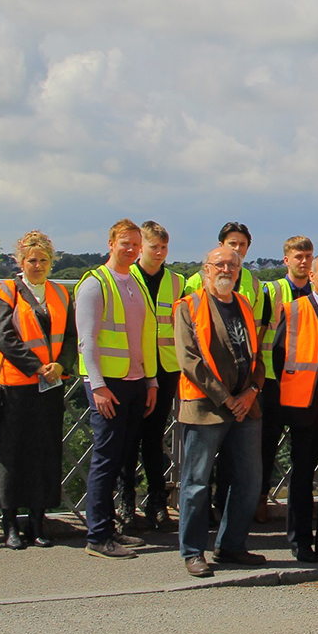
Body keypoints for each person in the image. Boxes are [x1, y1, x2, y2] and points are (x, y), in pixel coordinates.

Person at [173, 246, 267, 577]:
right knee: (197, 482)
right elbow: (189, 361)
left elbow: (257, 355)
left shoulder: (243, 304)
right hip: (205, 408)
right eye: (219, 264)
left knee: (248, 480)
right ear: (206, 270)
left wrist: (252, 391)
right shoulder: (189, 306)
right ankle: (193, 551)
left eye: (233, 264)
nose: (226, 269)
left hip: (245, 406)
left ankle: (231, 545)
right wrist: (227, 399)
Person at [0, 230, 78, 549]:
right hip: (15, 385)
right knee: (11, 453)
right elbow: (3, 337)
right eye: (31, 260)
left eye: (43, 260)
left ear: (52, 262)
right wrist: (37, 366)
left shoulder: (61, 294)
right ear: (20, 262)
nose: (37, 265)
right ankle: (9, 522)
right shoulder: (5, 293)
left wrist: (61, 366)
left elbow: (69, 336)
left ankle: (38, 522)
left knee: (45, 451)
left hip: (51, 384)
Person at [77, 219, 158, 560]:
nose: (132, 249)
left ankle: (110, 528)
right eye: (125, 243)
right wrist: (97, 386)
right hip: (108, 384)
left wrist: (151, 380)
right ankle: (97, 534)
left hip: (135, 380)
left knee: (123, 456)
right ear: (111, 243)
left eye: (136, 244)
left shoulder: (134, 281)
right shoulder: (96, 284)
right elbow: (87, 341)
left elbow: (145, 335)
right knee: (106, 459)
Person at [273, 253, 318, 563]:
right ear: (313, 276)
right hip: (306, 402)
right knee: (302, 476)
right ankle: (301, 541)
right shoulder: (294, 309)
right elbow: (280, 356)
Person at [117, 220, 184, 533]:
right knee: (129, 438)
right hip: (134, 366)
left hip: (167, 366)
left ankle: (157, 500)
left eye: (163, 248)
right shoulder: (127, 276)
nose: (159, 253)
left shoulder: (176, 281)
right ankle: (125, 500)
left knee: (154, 437)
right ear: (141, 247)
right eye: (153, 247)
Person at [254, 235, 313, 525]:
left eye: (307, 257)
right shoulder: (272, 291)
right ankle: (260, 499)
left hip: (307, 381)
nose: (303, 262)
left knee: (304, 450)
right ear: (286, 260)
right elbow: (260, 335)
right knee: (267, 444)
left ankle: (300, 508)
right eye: (298, 257)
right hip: (273, 379)